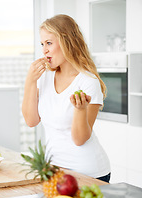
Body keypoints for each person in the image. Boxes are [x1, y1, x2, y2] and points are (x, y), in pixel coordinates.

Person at [22, 14, 111, 183]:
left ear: (67, 42)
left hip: (88, 173)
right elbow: (31, 120)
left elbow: (79, 139)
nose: (44, 50)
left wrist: (80, 109)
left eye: (49, 43)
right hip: (55, 170)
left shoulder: (88, 82)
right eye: (42, 44)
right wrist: (30, 81)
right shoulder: (44, 77)